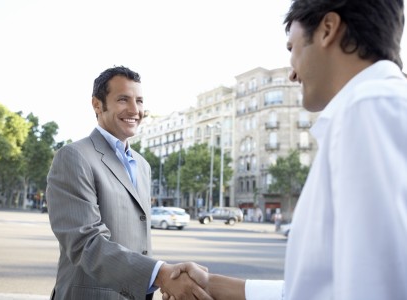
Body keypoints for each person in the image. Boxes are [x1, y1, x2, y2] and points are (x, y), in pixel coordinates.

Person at [163, 0, 407, 299]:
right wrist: (210, 284)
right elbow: (320, 288)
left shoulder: (368, 111)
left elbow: (377, 290)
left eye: (291, 48)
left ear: (328, 29)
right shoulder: (374, 109)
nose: (292, 74)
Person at [46, 66, 212, 300]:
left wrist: (159, 279)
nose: (135, 110)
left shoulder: (143, 165)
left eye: (140, 101)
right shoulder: (74, 156)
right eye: (123, 99)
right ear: (97, 104)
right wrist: (162, 275)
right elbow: (84, 242)